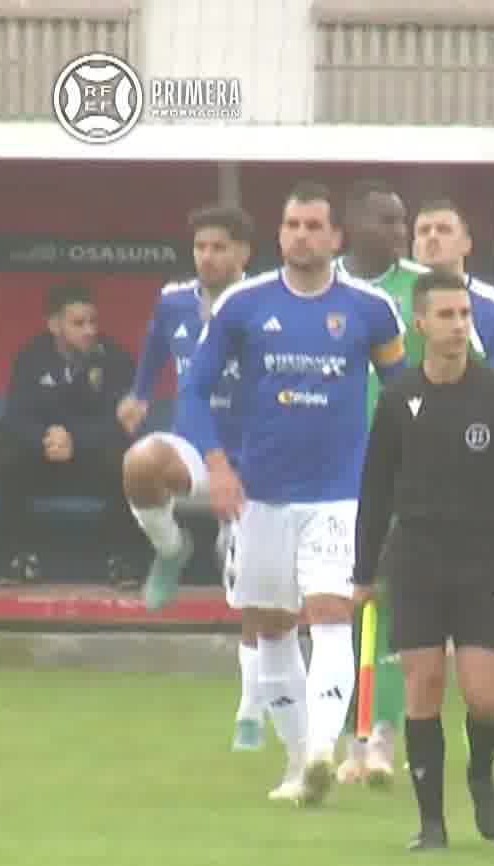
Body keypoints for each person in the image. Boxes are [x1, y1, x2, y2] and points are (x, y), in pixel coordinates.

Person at [178, 180, 408, 805]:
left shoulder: (370, 310)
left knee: (331, 614)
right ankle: (298, 761)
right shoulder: (242, 306)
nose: (302, 235)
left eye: (314, 225)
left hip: (341, 493)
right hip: (263, 496)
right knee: (271, 625)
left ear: (335, 237)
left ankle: (324, 749)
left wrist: (400, 473)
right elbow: (195, 391)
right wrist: (219, 465)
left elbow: (405, 394)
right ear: (279, 235)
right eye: (292, 225)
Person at [352, 270, 494, 851]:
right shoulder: (397, 398)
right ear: (420, 323)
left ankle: (481, 771)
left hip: (483, 556)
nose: (458, 325)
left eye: (464, 315)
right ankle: (431, 823)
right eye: (446, 316)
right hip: (415, 558)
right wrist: (363, 574)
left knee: (485, 698)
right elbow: (375, 492)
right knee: (424, 684)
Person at [117, 204, 257, 748]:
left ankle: (252, 707)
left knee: (251, 593)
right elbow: (154, 354)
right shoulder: (175, 300)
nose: (208, 256)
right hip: (196, 449)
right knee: (139, 463)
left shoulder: (261, 301)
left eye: (220, 246)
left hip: (254, 459)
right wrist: (139, 394)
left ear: (244, 252)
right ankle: (172, 549)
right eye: (201, 246)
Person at [332, 177, 432, 785]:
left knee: (391, 607)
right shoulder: (327, 290)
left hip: (403, 473)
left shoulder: (423, 291)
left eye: (404, 221)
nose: (399, 232)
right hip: (331, 473)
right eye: (387, 221)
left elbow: (454, 368)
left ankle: (382, 736)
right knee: (341, 608)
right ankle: (349, 734)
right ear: (353, 226)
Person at [0, 282, 141, 586]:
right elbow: (16, 417)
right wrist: (44, 438)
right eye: (78, 323)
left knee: (127, 463)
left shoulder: (115, 359)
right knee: (9, 462)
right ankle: (21, 559)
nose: (89, 330)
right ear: (54, 325)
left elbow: (122, 422)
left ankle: (121, 561)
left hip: (92, 459)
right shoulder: (31, 357)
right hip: (45, 458)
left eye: (93, 322)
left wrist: (74, 438)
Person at [410, 197, 494, 379]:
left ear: (466, 244)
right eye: (424, 231)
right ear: (415, 247)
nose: (432, 236)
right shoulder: (393, 300)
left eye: (444, 229)